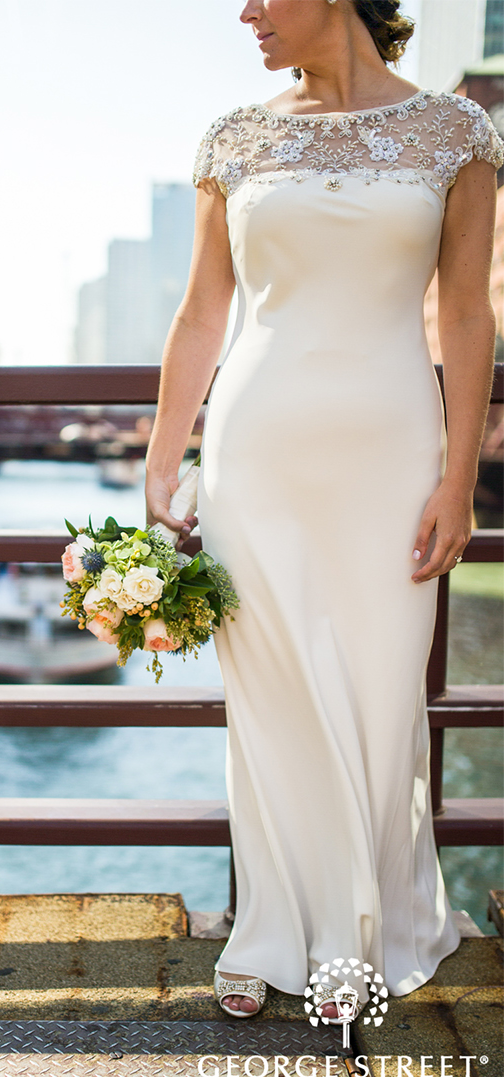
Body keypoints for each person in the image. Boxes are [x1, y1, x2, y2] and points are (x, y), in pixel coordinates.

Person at [147, 0, 502, 1020]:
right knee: (269, 699)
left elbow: (470, 312)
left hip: (397, 455)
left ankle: (377, 924)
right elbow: (203, 311)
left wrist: (461, 479)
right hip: (255, 455)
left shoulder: (456, 133)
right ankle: (268, 931)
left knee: (384, 694)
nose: (246, 12)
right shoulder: (235, 138)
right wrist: (164, 460)